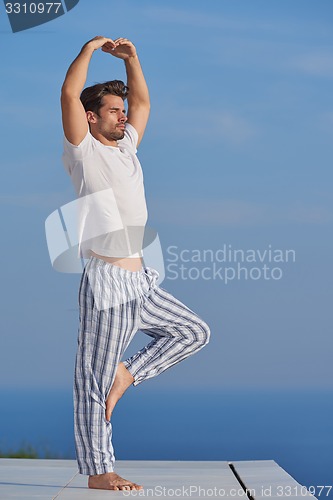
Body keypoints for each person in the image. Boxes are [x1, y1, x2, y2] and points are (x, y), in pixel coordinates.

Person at [61, 36, 211, 491]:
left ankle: (129, 373)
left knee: (193, 331)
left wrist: (133, 61)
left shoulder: (127, 146)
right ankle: (99, 472)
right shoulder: (83, 151)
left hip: (141, 281)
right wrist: (89, 49)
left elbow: (142, 101)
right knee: (92, 380)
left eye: (121, 111)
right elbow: (69, 94)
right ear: (91, 118)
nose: (122, 115)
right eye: (112, 110)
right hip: (107, 284)